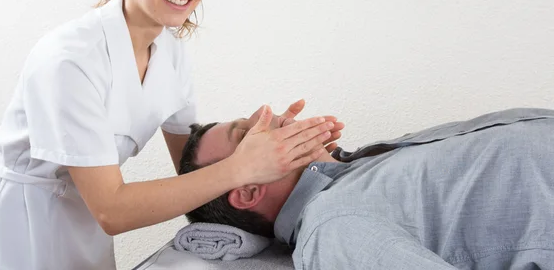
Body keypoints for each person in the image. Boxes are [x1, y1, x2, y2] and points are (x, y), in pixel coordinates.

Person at [0, 0, 342, 270]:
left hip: (84, 230)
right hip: (20, 231)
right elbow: (111, 210)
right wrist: (245, 166)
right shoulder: (69, 61)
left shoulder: (170, 53)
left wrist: (285, 153)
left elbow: (193, 172)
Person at [179, 106, 554, 269]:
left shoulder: (356, 171)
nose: (268, 115)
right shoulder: (334, 226)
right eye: (248, 132)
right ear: (247, 191)